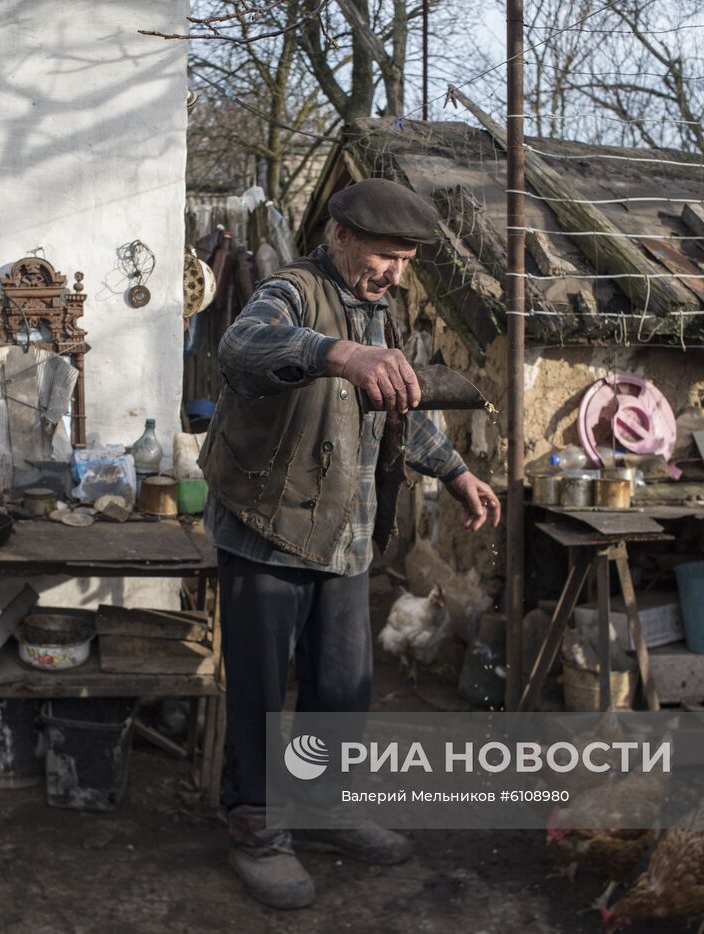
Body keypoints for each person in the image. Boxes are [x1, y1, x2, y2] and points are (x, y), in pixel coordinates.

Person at [197, 177, 503, 909]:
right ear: (340, 238)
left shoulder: (380, 312)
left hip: (345, 537)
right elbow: (242, 347)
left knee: (343, 690)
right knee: (264, 696)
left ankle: (326, 809)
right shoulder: (294, 291)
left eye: (405, 261)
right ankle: (258, 830)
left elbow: (396, 408)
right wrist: (336, 353)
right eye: (385, 256)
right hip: (268, 534)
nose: (396, 273)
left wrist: (457, 472)